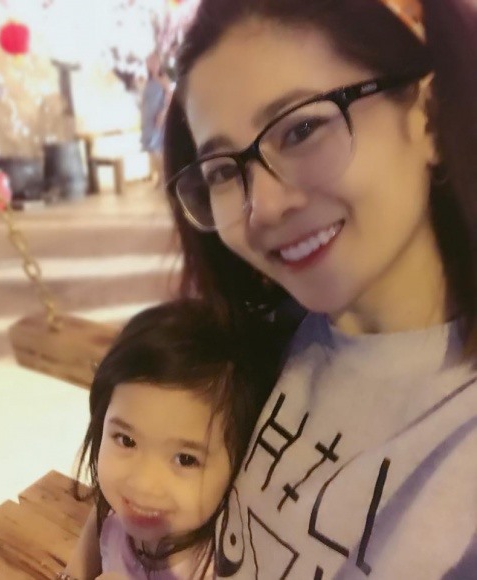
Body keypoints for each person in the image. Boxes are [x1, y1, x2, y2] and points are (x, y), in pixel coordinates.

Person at [67, 0, 477, 577]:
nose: (261, 207)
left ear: (429, 116)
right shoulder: (263, 334)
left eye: (302, 128)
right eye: (222, 170)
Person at [62, 299, 277, 579]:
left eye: (185, 459)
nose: (143, 484)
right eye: (126, 440)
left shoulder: (224, 565)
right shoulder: (116, 515)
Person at [141, 51, 172, 188]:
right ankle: (159, 176)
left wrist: (163, 113)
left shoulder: (163, 78)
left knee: (157, 147)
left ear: (159, 63)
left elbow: (169, 96)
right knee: (150, 148)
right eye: (149, 61)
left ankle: (165, 176)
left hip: (158, 116)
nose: (152, 64)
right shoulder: (148, 80)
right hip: (147, 117)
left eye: (154, 61)